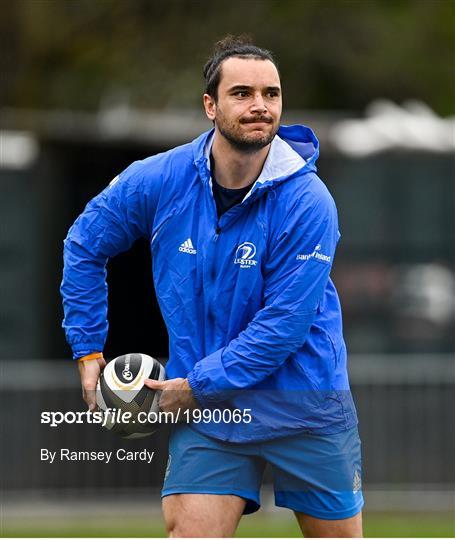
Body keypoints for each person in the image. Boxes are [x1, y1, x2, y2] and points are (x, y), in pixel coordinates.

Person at [61, 35, 364, 538]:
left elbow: (284, 326)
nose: (260, 106)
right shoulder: (160, 178)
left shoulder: (310, 201)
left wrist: (195, 384)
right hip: (210, 413)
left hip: (303, 403)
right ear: (210, 105)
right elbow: (84, 244)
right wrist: (88, 347)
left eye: (271, 93)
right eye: (242, 93)